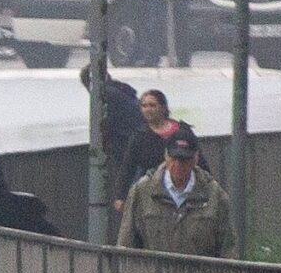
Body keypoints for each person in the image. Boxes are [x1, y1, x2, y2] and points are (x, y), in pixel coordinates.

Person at [118, 126, 227, 256]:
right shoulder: (141, 191)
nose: (178, 164)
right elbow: (125, 244)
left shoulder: (215, 195)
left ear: (195, 159)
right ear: (165, 156)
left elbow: (228, 248)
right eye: (173, 158)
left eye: (184, 159)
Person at [114, 87, 203, 213]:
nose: (147, 109)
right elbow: (128, 168)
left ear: (163, 107)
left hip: (183, 190)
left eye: (152, 105)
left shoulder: (182, 131)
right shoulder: (140, 136)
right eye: (144, 106)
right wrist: (120, 196)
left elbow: (200, 162)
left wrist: (207, 189)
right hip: (151, 193)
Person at [83, 62, 142, 192]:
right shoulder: (121, 90)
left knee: (133, 189)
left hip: (126, 146)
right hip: (137, 142)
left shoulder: (106, 95)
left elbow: (103, 125)